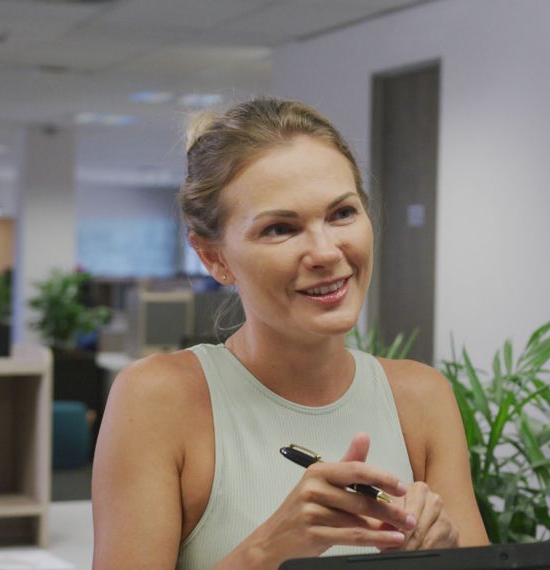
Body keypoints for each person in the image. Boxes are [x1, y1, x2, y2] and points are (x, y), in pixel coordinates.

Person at [92, 98, 488, 569]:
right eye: (281, 228)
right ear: (213, 257)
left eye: (342, 213)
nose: (325, 251)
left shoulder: (422, 397)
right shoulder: (157, 400)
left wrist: (443, 549)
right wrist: (271, 549)